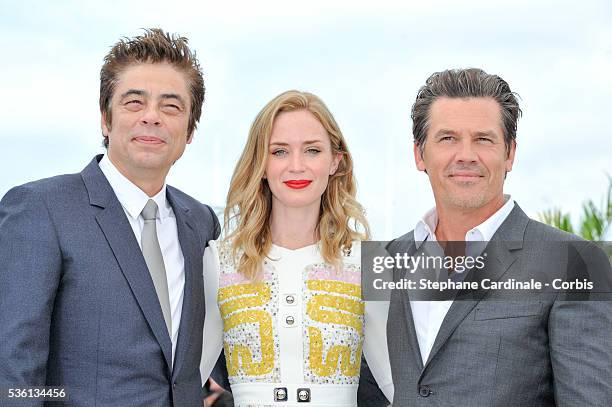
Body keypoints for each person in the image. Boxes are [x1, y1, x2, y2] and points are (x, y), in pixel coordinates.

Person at [0, 28, 220, 406]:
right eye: (134, 102)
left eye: (171, 106)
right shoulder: (40, 209)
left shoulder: (200, 223)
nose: (152, 117)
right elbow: (13, 372)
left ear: (189, 131)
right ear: (105, 119)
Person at [385, 68, 612, 405]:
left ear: (510, 153)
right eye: (448, 138)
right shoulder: (390, 259)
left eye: (483, 139)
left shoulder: (573, 262)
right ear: (420, 154)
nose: (466, 155)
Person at [199, 90, 394, 406]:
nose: (297, 166)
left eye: (313, 150)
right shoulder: (219, 261)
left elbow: (398, 385)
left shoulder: (368, 262)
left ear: (335, 161)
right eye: (279, 152)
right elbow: (186, 379)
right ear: (261, 163)